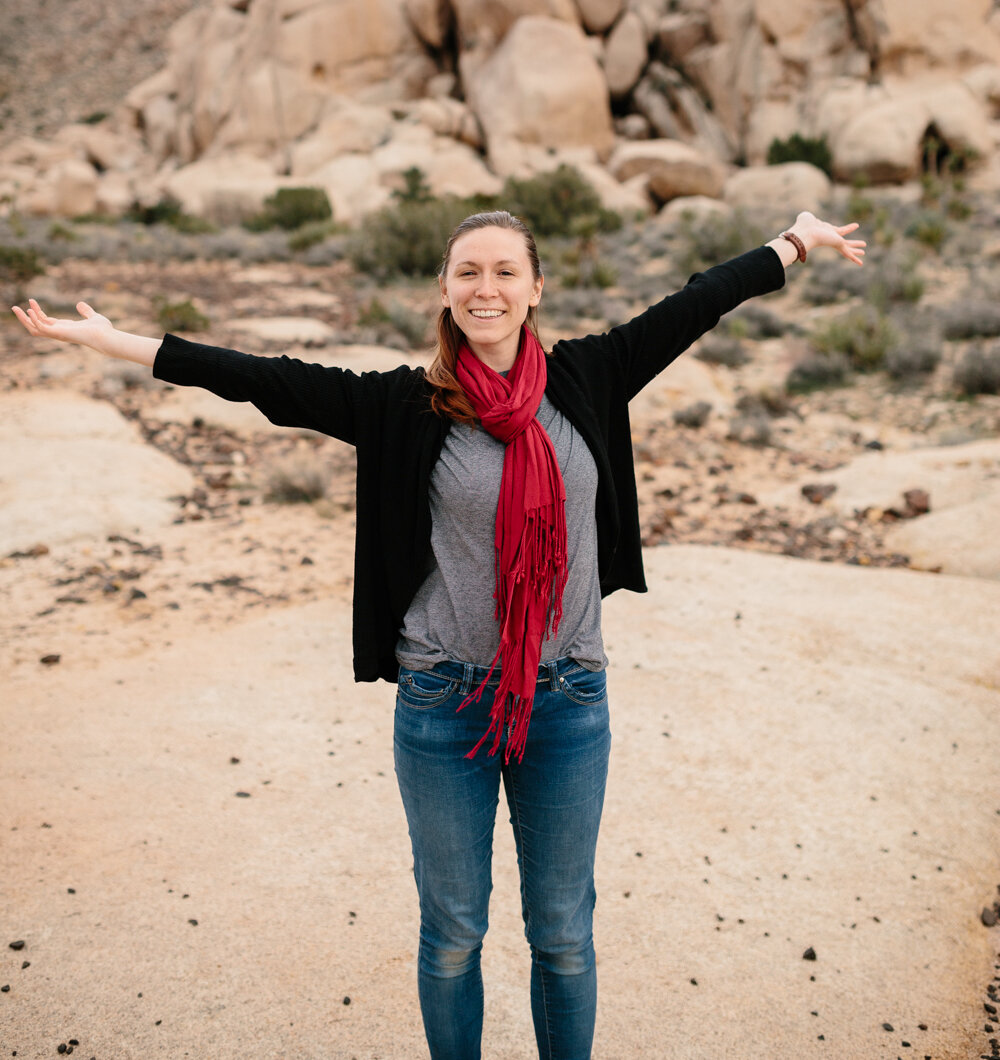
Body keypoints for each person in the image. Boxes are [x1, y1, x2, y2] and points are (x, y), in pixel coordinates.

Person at [12, 205, 865, 1060]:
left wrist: (793, 240)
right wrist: (114, 342)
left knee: (562, 934)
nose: (485, 288)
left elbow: (698, 301)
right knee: (453, 932)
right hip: (442, 700)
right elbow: (260, 377)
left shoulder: (592, 374)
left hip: (566, 694)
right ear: (446, 291)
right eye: (468, 272)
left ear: (535, 288)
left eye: (503, 272)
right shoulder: (400, 405)